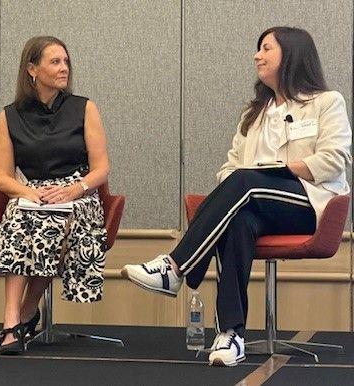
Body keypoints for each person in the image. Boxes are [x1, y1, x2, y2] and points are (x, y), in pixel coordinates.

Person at [122, 27, 351, 366]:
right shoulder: (254, 114)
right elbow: (229, 168)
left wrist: (280, 170)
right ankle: (232, 335)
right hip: (255, 201)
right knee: (239, 217)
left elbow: (336, 160)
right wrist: (247, 179)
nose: (257, 56)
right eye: (258, 49)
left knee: (247, 182)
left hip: (308, 202)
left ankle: (174, 267)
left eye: (266, 49)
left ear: (291, 54)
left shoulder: (325, 102)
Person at [0, 36, 110, 355]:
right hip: (30, 193)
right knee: (24, 218)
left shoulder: (84, 108)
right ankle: (13, 320)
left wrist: (74, 189)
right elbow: (2, 176)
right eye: (55, 62)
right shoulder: (9, 116)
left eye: (66, 62)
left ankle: (19, 318)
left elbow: (101, 170)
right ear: (32, 69)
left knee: (51, 224)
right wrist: (29, 192)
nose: (64, 68)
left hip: (79, 196)